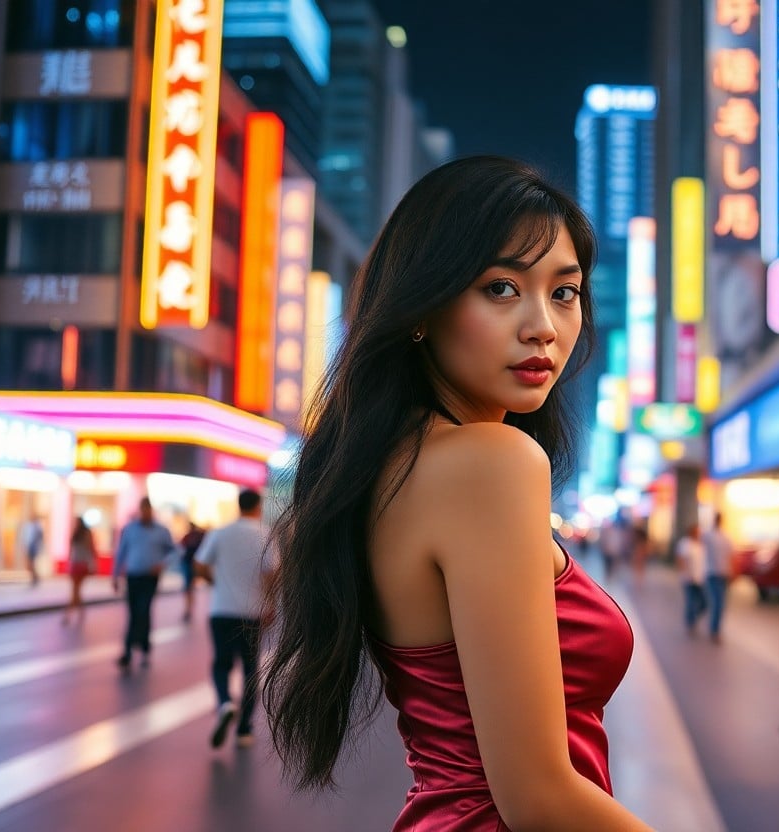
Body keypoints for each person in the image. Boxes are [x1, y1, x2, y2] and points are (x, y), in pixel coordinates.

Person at [262, 157, 651, 830]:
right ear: (422, 308)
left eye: (565, 292)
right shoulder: (490, 463)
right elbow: (538, 797)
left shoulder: (393, 465)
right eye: (501, 288)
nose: (544, 327)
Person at [195, 489, 271, 750]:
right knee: (250, 671)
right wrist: (269, 602)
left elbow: (199, 565)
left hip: (221, 612)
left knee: (221, 664)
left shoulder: (221, 532)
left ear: (239, 506)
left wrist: (216, 584)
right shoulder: (264, 534)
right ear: (257, 506)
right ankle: (244, 730)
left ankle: (225, 702)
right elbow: (273, 573)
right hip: (251, 614)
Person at [112, 497, 176, 670]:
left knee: (144, 610)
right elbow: (121, 553)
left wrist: (162, 564)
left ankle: (144, 649)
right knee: (133, 613)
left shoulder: (161, 531)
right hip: (133, 576)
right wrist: (115, 575)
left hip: (150, 578)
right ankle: (128, 651)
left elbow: (174, 551)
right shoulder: (130, 529)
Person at [704, 513, 735, 643]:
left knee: (719, 603)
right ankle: (714, 629)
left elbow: (731, 556)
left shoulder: (723, 537)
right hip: (713, 573)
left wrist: (732, 571)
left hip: (721, 574)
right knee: (718, 603)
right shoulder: (709, 536)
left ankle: (715, 629)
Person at [63, 516, 97, 626]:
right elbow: (72, 551)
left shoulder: (86, 534)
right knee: (76, 591)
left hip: (82, 565)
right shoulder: (75, 534)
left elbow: (91, 550)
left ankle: (68, 615)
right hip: (75, 564)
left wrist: (93, 564)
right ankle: (80, 611)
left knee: (75, 591)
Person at [675, 523, 708, 634]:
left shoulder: (701, 544)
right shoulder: (685, 544)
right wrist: (685, 572)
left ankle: (693, 615)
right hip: (689, 578)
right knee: (690, 602)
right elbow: (681, 559)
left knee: (704, 602)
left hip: (701, 578)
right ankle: (690, 623)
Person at [180, 522, 205, 623]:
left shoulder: (195, 536)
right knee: (188, 588)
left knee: (188, 588)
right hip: (189, 564)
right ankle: (188, 608)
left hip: (190, 564)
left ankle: (188, 609)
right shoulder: (194, 537)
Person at [23, 515, 44, 587]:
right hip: (31, 547)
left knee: (32, 564)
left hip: (33, 548)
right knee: (31, 564)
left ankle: (35, 578)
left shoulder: (37, 527)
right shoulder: (31, 527)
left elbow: (39, 538)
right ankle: (34, 577)